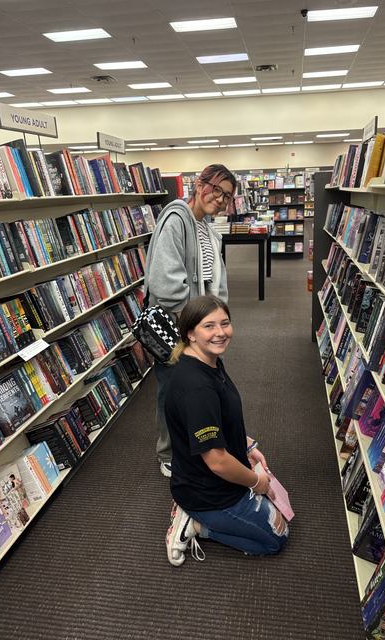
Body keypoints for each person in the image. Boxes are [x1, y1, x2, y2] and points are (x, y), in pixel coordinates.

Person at [164, 295, 289, 566]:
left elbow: (219, 421)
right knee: (276, 538)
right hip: (208, 492)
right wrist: (256, 482)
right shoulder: (197, 387)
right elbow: (218, 462)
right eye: (209, 326)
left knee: (277, 513)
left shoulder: (209, 361)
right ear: (190, 333)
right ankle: (194, 525)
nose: (220, 333)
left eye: (225, 323)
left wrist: (246, 446)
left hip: (213, 477)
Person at [144, 164, 237, 478]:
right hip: (179, 328)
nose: (220, 199)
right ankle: (169, 452)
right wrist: (199, 320)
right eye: (216, 190)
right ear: (200, 184)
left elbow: (215, 282)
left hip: (201, 330)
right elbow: (165, 283)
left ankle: (199, 446)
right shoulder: (175, 220)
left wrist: (218, 320)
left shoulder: (209, 230)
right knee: (172, 389)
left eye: (227, 196)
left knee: (199, 389)